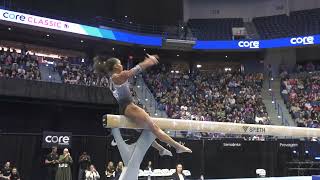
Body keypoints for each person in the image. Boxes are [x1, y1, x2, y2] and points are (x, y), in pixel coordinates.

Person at [93, 55, 192, 154]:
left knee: (145, 130)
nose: (121, 65)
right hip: (129, 107)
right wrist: (148, 62)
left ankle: (160, 149)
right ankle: (177, 146)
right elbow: (133, 71)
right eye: (120, 64)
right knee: (154, 128)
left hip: (125, 108)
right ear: (115, 67)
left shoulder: (112, 79)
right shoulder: (117, 77)